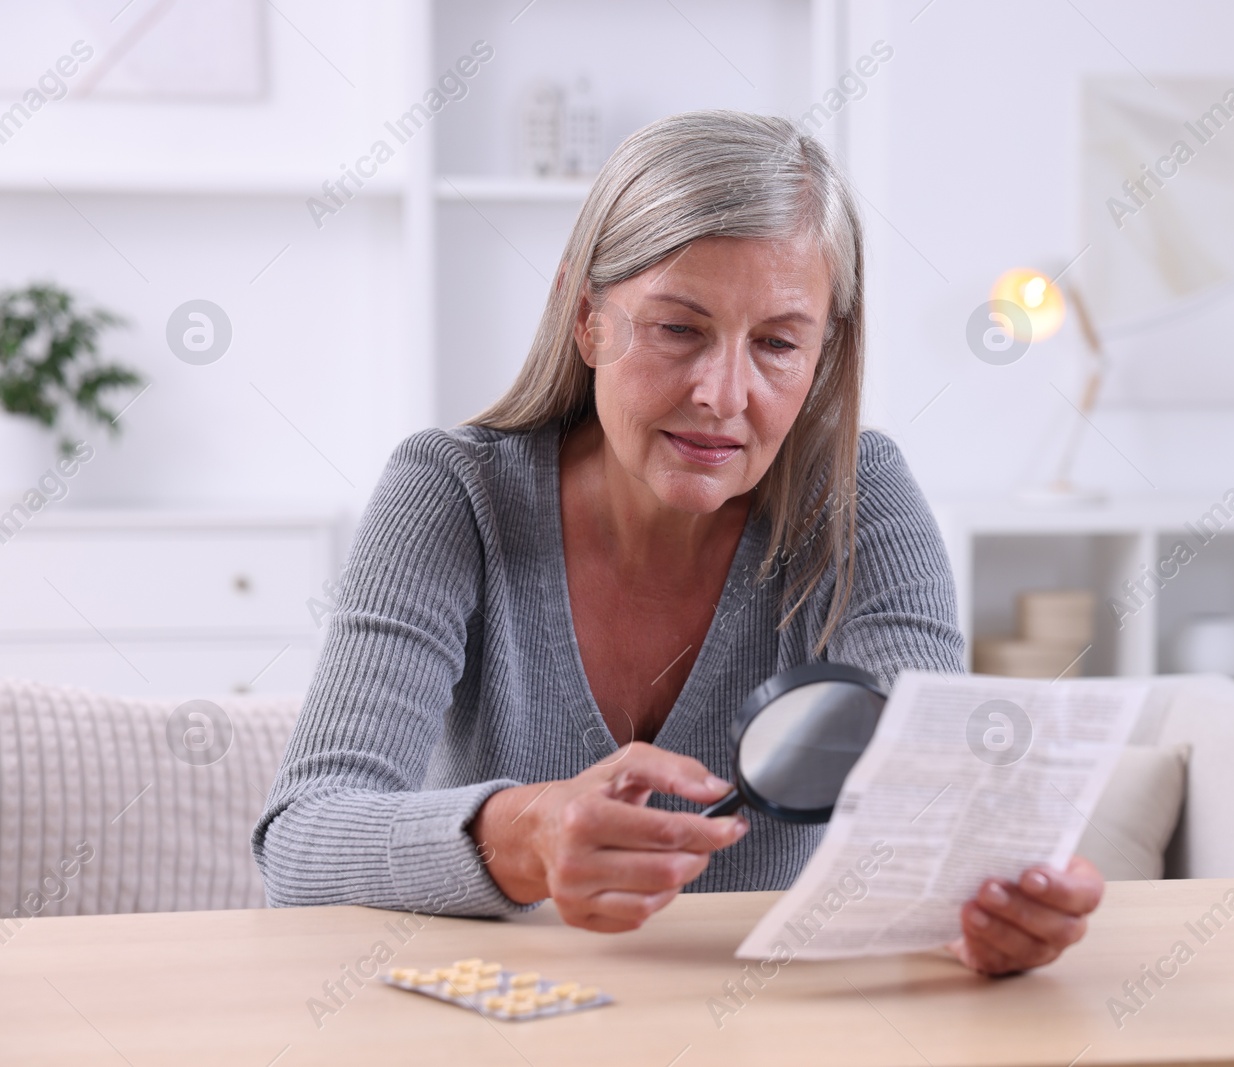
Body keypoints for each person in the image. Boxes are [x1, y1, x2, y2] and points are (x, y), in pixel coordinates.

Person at [253, 110, 1103, 976]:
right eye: (678, 328)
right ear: (587, 317)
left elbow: (931, 797)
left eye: (777, 342)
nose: (723, 394)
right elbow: (302, 840)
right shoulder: (453, 495)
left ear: (823, 353)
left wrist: (993, 902)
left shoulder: (857, 498)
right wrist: (523, 834)